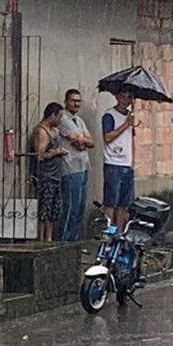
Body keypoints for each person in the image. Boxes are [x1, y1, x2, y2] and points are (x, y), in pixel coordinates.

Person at [56, 88, 94, 242]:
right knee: (70, 207)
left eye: (79, 101)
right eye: (73, 100)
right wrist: (82, 140)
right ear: (66, 101)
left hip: (83, 166)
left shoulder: (79, 121)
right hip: (70, 168)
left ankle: (74, 240)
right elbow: (76, 140)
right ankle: (64, 241)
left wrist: (82, 140)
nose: (76, 104)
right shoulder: (63, 119)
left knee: (80, 208)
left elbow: (90, 142)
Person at [30, 102, 67, 242]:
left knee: (53, 209)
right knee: (44, 209)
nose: (61, 120)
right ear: (52, 116)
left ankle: (49, 237)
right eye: (59, 117)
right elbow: (40, 155)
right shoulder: (42, 132)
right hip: (45, 175)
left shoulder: (55, 131)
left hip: (56, 175)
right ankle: (41, 238)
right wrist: (55, 153)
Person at [100, 91, 137, 232]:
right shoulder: (109, 115)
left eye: (129, 97)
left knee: (123, 204)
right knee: (111, 202)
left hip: (126, 164)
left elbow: (131, 139)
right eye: (122, 96)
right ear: (116, 97)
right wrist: (126, 125)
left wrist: (132, 162)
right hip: (113, 163)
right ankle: (108, 232)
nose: (125, 100)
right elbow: (108, 137)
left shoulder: (130, 117)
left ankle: (119, 234)